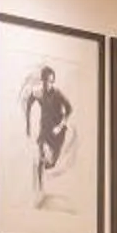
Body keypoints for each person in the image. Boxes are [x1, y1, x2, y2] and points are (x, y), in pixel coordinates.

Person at [19, 62, 75, 207]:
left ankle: (47, 164)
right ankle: (39, 191)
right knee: (38, 158)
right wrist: (27, 124)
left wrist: (61, 125)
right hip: (44, 130)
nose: (48, 84)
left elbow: (69, 109)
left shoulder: (57, 94)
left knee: (51, 163)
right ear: (42, 81)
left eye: (51, 81)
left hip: (57, 132)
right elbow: (29, 102)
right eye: (46, 81)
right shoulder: (38, 92)